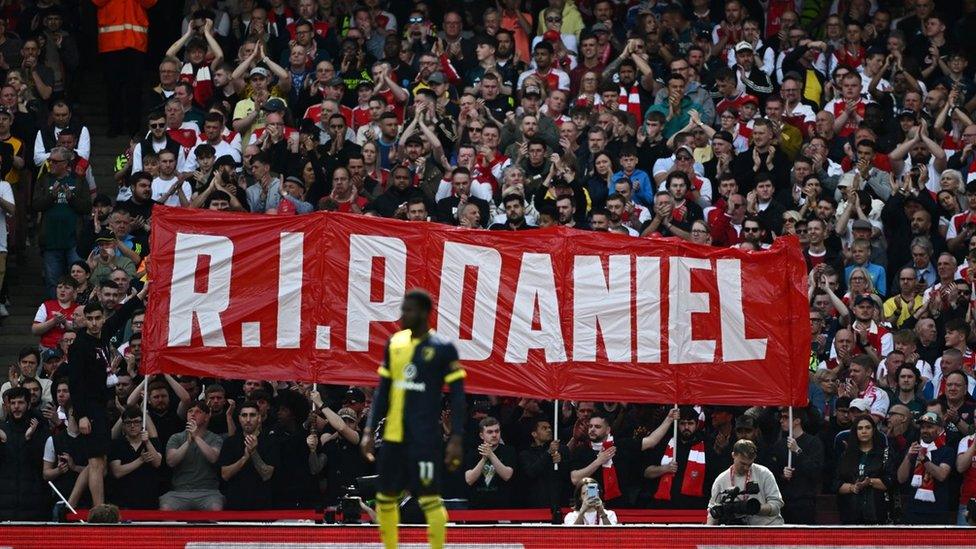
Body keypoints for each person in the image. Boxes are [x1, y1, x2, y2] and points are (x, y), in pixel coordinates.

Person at [360, 290, 466, 549]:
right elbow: (382, 391)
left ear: (423, 313)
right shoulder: (394, 343)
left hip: (425, 440)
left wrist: (456, 438)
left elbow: (458, 396)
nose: (401, 315)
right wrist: (368, 430)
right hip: (394, 438)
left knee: (430, 500)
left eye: (407, 310)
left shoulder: (443, 348)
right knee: (385, 499)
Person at [66, 283, 146, 508]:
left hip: (101, 407)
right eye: (89, 318)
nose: (93, 322)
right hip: (89, 409)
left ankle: (70, 505)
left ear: (102, 318)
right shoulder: (80, 345)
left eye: (97, 318)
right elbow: (76, 384)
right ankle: (99, 511)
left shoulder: (102, 335)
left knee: (98, 461)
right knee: (96, 462)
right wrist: (81, 415)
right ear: (85, 320)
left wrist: (142, 293)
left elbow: (121, 316)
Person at [161, 400, 225, 510]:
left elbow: (214, 458)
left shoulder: (215, 438)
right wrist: (188, 442)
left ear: (206, 417)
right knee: (166, 509)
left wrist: (196, 437)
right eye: (190, 411)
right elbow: (171, 462)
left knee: (216, 509)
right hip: (179, 492)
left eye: (198, 411)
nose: (193, 414)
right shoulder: (176, 438)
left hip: (209, 492)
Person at [706, 439, 784, 525]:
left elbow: (777, 505)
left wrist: (754, 509)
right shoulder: (721, 480)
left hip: (768, 528)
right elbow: (713, 512)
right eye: (742, 464)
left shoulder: (764, 474)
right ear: (733, 455)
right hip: (738, 532)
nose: (746, 468)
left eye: (749, 464)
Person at [896, 411, 955, 524]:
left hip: (937, 511)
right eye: (922, 427)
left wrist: (923, 458)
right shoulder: (914, 449)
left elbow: (941, 475)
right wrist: (908, 457)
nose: (925, 430)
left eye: (929, 427)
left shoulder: (947, 451)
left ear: (939, 429)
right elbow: (901, 478)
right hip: (913, 510)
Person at [218, 401, 279, 510]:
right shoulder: (230, 442)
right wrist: (245, 457)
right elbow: (225, 475)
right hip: (235, 502)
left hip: (262, 502)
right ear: (239, 418)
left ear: (259, 418)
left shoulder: (270, 441)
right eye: (244, 415)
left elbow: (267, 474)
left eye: (252, 415)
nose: (248, 420)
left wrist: (254, 453)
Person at [834, 415, 891, 524]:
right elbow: (836, 483)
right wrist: (853, 487)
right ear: (855, 432)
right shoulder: (846, 455)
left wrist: (869, 482)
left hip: (877, 511)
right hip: (850, 513)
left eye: (867, 428)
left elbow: (889, 481)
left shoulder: (885, 453)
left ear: (874, 430)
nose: (864, 431)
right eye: (860, 428)